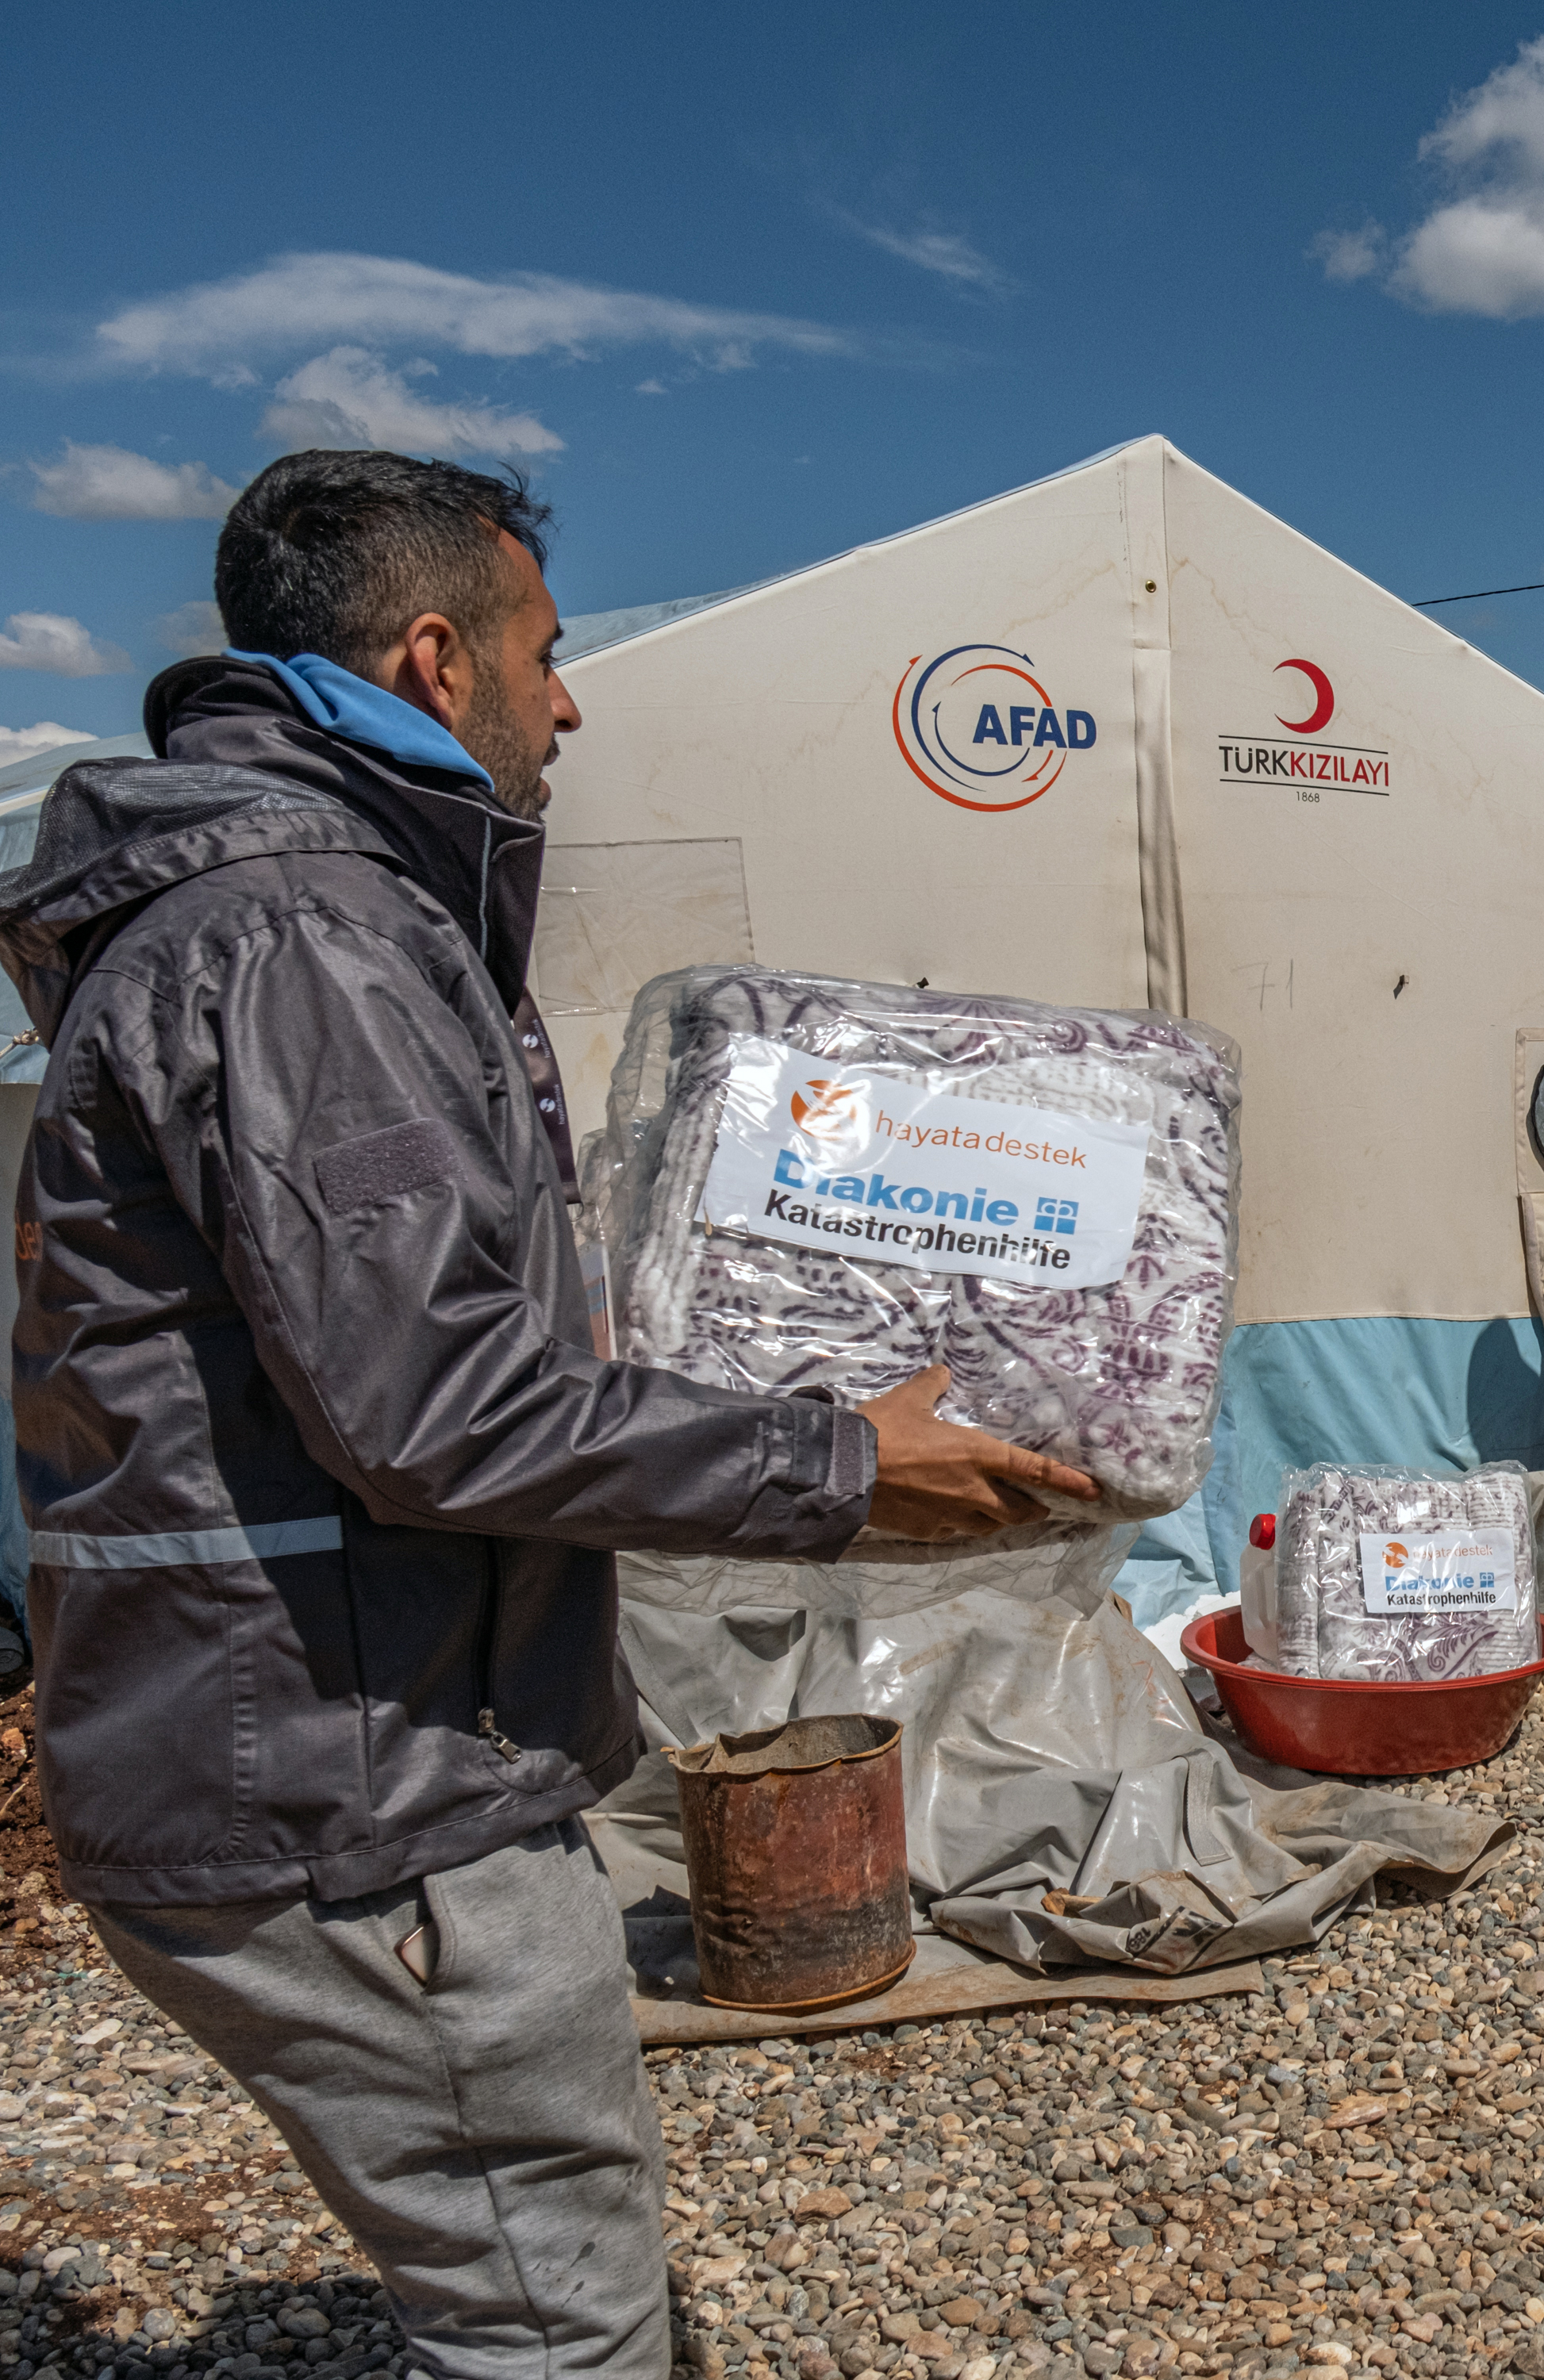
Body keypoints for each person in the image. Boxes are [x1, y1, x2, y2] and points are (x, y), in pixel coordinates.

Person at [0, 451, 1100, 2380]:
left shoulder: (301, 910)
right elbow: (428, 1403)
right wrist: (840, 1459)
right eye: (547, 649)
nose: (571, 699)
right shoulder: (307, 937)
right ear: (436, 657)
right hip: (352, 1789)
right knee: (552, 2325)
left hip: (334, 1734)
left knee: (540, 2274)